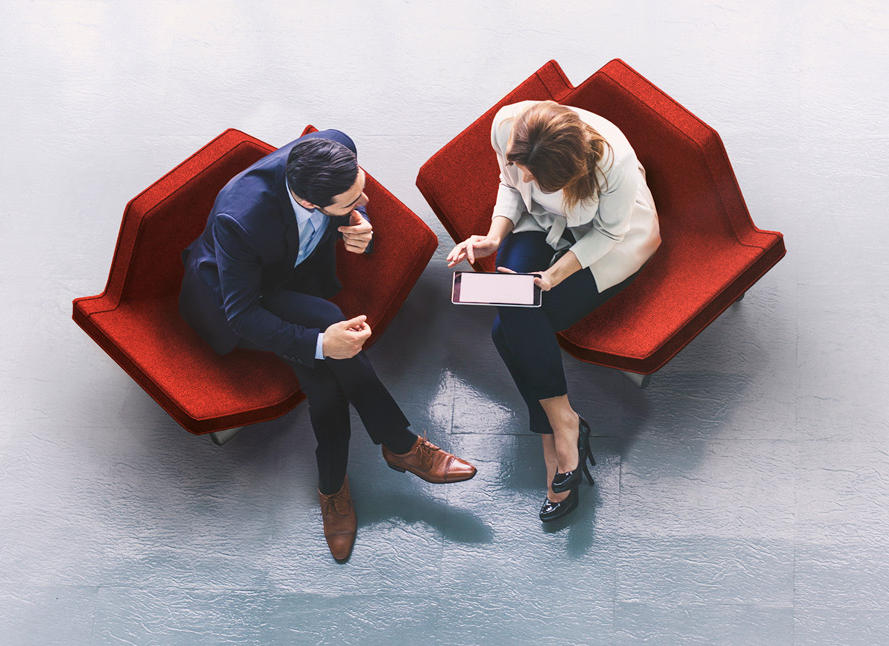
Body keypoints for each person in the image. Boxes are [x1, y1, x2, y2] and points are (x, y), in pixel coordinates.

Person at [179, 129, 476, 561]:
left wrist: (360, 230)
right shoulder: (241, 219)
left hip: (292, 274)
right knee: (327, 328)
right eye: (350, 203)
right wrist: (321, 345)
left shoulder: (336, 146)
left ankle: (335, 487)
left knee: (323, 387)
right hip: (240, 296)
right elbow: (241, 315)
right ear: (309, 203)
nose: (365, 202)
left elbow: (357, 210)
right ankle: (398, 445)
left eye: (361, 187)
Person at [446, 100, 660, 522]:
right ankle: (563, 425)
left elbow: (608, 233)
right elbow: (510, 185)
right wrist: (493, 237)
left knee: (507, 331)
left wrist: (556, 274)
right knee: (513, 314)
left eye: (533, 173)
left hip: (606, 242)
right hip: (539, 223)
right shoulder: (509, 126)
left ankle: (554, 431)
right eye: (523, 165)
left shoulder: (614, 164)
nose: (524, 175)